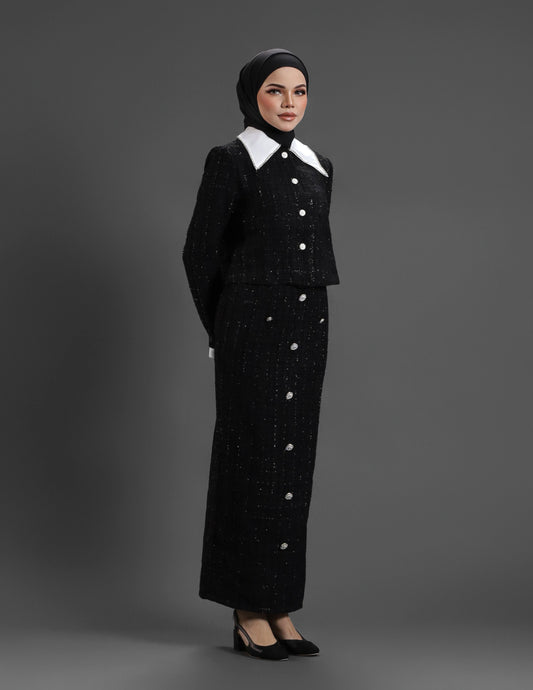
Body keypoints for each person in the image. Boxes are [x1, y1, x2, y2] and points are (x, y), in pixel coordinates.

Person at [182, 48, 340, 660]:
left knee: (292, 466)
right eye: (276, 90)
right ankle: (246, 607)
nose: (289, 102)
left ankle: (279, 604)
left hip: (308, 326)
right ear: (252, 95)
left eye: (299, 91)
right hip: (250, 329)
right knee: (250, 460)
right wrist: (223, 330)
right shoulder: (230, 160)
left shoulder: (319, 165)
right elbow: (200, 253)